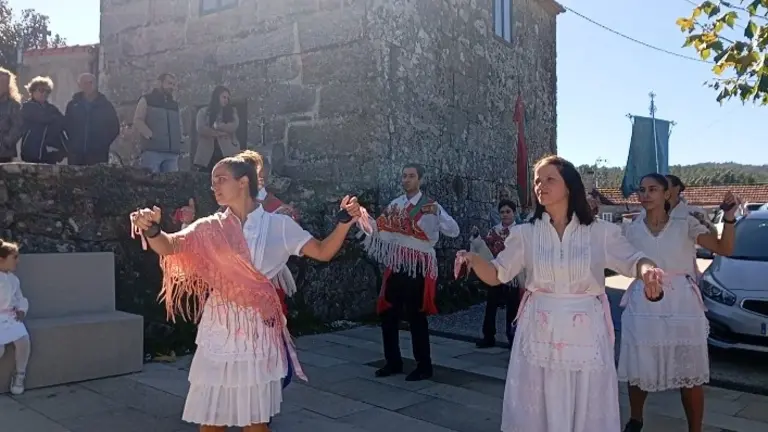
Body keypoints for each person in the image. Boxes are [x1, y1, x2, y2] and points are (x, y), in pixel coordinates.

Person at [129, 150, 364, 431]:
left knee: (255, 423)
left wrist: (344, 223)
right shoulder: (209, 227)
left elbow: (323, 251)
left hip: (256, 331)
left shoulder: (279, 226)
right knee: (211, 422)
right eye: (212, 181)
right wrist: (153, 230)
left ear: (243, 183)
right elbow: (170, 246)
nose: (214, 186)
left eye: (221, 179)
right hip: (218, 329)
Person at [458, 155, 663, 432]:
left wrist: (649, 271)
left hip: (586, 331)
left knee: (584, 404)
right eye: (537, 181)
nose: (541, 185)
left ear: (569, 186)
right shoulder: (524, 234)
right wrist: (473, 259)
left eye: (549, 179)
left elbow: (633, 259)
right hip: (539, 327)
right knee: (538, 403)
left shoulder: (600, 232)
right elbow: (497, 274)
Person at [618, 173, 738, 432]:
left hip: (682, 306)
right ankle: (636, 420)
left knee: (689, 370)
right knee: (640, 365)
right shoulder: (631, 228)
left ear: (666, 194)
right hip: (643, 304)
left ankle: (695, 429)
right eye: (642, 190)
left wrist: (729, 218)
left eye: (653, 189)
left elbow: (724, 248)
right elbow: (618, 261)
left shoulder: (686, 224)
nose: (646, 194)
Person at [359, 163, 460, 381]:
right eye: (404, 176)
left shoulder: (431, 206)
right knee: (388, 313)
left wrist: (439, 213)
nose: (406, 180)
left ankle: (424, 366)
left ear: (420, 180)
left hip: (418, 265)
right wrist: (361, 218)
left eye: (411, 176)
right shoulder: (396, 204)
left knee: (416, 316)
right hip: (397, 264)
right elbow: (380, 230)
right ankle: (392, 361)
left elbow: (454, 231)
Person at [471, 199, 524, 349]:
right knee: (491, 305)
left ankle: (512, 338)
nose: (505, 215)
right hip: (496, 272)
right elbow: (485, 249)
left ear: (514, 213)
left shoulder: (520, 232)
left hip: (513, 275)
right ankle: (489, 336)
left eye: (508, 212)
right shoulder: (493, 231)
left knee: (513, 309)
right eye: (502, 212)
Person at [63, 73, 121, 165]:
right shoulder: (72, 105)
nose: (88, 86)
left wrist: (102, 145)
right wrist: (74, 143)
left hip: (98, 156)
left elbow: (114, 128)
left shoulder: (106, 106)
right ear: (80, 86)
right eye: (85, 83)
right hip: (76, 156)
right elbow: (67, 126)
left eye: (91, 82)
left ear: (96, 84)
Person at [133, 73, 183, 173]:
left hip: (172, 153)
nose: (172, 87)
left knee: (171, 185)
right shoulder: (147, 100)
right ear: (160, 83)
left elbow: (179, 124)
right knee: (151, 184)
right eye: (169, 83)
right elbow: (138, 120)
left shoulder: (174, 105)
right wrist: (150, 135)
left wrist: (180, 140)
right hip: (152, 151)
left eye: (173, 84)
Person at [0, 240, 31, 395]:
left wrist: (21, 310)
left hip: (11, 317)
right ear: (1, 259)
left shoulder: (13, 279)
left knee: (23, 341)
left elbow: (20, 297)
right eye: (15, 257)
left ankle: (20, 374)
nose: (18, 261)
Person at [20, 76, 68, 164]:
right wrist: (53, 119)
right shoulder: (27, 107)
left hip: (50, 152)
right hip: (32, 151)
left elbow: (63, 122)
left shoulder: (52, 108)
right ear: (33, 91)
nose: (44, 93)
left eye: (48, 91)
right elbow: (41, 118)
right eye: (41, 90)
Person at [194, 86, 240, 173]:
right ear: (216, 97)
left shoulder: (232, 111)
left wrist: (218, 126)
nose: (226, 100)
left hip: (226, 151)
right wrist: (218, 133)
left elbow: (234, 126)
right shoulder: (203, 112)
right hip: (208, 152)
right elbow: (201, 128)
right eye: (223, 97)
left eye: (227, 98)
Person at [0, 67, 23, 163]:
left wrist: (6, 141)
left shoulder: (13, 105)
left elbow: (18, 126)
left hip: (5, 153)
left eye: (5, 82)